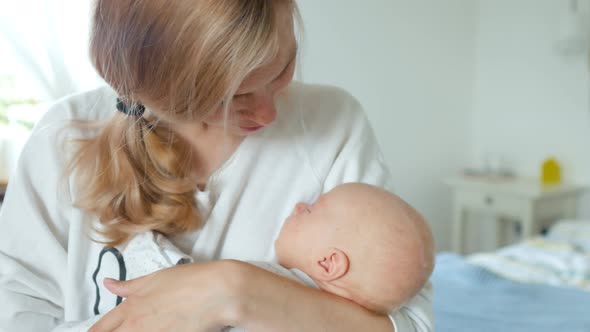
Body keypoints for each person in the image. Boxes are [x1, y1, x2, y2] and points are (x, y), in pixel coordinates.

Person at [0, 1, 433, 331]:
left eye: (282, 67)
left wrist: (236, 290)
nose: (267, 115)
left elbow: (409, 322)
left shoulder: (333, 125)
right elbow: (17, 310)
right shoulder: (63, 139)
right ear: (155, 90)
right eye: (230, 100)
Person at [76, 182, 434, 331]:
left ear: (329, 263)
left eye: (312, 210)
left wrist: (141, 241)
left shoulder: (275, 287)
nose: (298, 205)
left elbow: (170, 287)